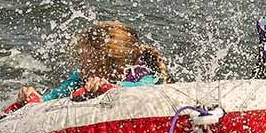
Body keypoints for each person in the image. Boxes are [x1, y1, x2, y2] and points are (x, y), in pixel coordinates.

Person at [17, 20, 170, 103]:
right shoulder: (79, 79)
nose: (82, 69)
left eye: (87, 65)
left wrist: (110, 87)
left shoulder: (146, 76)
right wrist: (33, 96)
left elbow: (142, 89)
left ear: (113, 68)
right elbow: (54, 96)